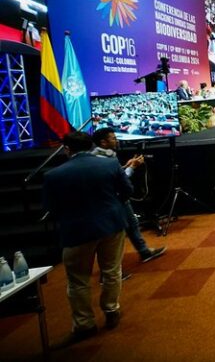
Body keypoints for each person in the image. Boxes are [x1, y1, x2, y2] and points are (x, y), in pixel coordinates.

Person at [43, 132, 132, 344]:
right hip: (112, 225)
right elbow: (127, 191)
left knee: (78, 281)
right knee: (112, 271)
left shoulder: (53, 175)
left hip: (77, 231)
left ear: (67, 149)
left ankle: (84, 324)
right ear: (91, 146)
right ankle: (111, 310)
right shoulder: (110, 164)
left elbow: (51, 208)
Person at [91, 128, 166, 264]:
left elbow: (115, 173)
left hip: (116, 198)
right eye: (113, 138)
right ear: (103, 142)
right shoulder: (102, 160)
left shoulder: (103, 156)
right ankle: (112, 269)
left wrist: (126, 165)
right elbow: (119, 179)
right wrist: (132, 168)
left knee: (132, 224)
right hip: (114, 199)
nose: (116, 140)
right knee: (116, 234)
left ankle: (144, 252)